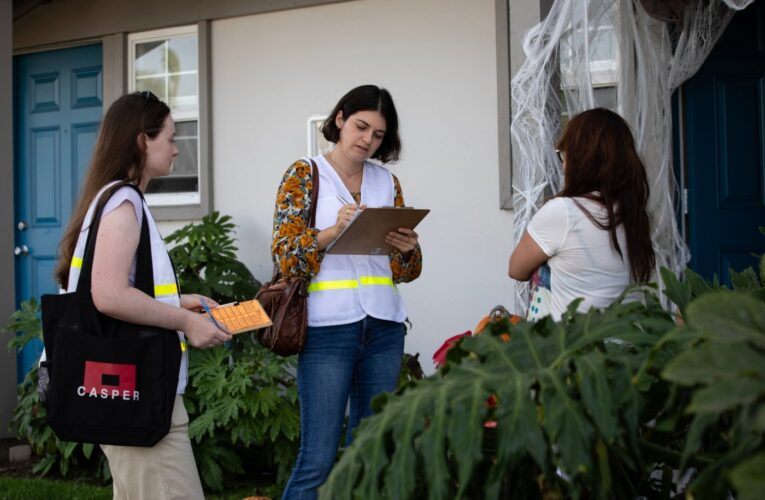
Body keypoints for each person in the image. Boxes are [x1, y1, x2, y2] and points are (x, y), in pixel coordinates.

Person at [53, 91, 231, 499]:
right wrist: (187, 322)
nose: (175, 148)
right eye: (169, 137)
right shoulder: (124, 201)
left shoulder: (109, 198)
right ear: (141, 140)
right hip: (140, 397)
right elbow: (110, 295)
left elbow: (116, 286)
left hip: (124, 396)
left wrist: (177, 300)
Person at [272, 85, 422, 498]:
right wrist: (332, 233)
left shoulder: (387, 181)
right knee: (317, 459)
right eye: (360, 127)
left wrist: (408, 250)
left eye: (377, 135)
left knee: (368, 456)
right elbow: (285, 256)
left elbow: (405, 271)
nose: (367, 140)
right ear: (339, 119)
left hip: (384, 329)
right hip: (326, 330)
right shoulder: (304, 174)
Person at [508, 107, 655, 320]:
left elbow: (516, 269)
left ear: (580, 160)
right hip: (628, 347)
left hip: (575, 347)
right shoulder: (633, 214)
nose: (563, 165)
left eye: (565, 155)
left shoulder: (563, 212)